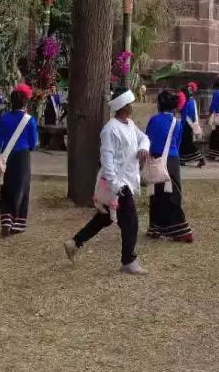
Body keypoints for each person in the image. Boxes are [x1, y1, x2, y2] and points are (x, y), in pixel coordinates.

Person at [65, 89, 150, 275]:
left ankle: (74, 242)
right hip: (118, 184)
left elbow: (143, 138)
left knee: (104, 218)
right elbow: (107, 159)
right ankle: (129, 260)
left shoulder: (129, 124)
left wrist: (143, 148)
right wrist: (115, 185)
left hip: (126, 180)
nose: (132, 106)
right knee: (131, 222)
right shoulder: (110, 129)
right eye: (130, 103)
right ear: (124, 106)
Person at [145, 88, 194, 243]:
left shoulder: (153, 120)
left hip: (155, 158)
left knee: (157, 195)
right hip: (172, 160)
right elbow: (177, 143)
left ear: (159, 104)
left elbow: (147, 139)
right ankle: (179, 231)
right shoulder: (176, 122)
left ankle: (156, 228)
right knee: (173, 194)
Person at [0, 84, 39, 237]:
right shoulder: (30, 120)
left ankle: (6, 219)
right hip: (22, 156)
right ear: (26, 101)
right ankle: (17, 222)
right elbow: (34, 143)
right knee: (22, 188)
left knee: (6, 187)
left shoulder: (4, 118)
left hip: (7, 156)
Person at [178, 82, 205, 168]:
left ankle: (200, 158)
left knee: (187, 143)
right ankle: (182, 160)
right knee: (184, 143)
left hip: (187, 124)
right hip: (189, 124)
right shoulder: (191, 101)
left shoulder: (188, 102)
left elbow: (186, 114)